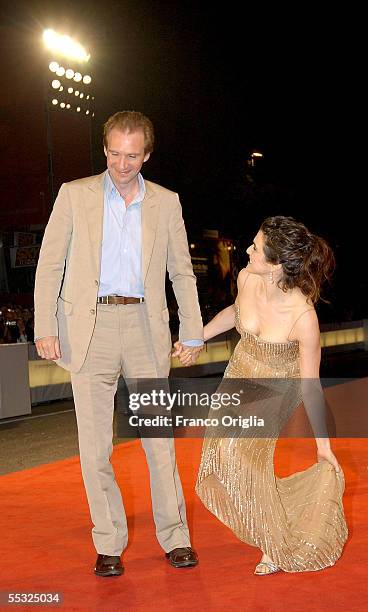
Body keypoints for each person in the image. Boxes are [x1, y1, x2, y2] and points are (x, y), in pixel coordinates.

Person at [34, 111, 203, 576]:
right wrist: (44, 325)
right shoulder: (74, 195)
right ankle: (108, 541)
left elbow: (180, 272)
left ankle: (176, 537)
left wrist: (192, 331)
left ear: (147, 154)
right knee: (94, 447)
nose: (121, 164)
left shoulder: (166, 203)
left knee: (158, 442)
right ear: (104, 147)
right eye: (113, 152)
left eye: (132, 155)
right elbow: (49, 266)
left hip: (146, 329)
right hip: (89, 330)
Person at [195, 216, 348, 574]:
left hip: (279, 386)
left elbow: (311, 384)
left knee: (244, 455)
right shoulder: (248, 277)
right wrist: (198, 336)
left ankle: (273, 542)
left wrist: (322, 444)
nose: (247, 250)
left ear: (277, 264)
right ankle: (274, 514)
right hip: (241, 371)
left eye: (256, 248)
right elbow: (236, 313)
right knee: (220, 452)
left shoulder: (302, 318)